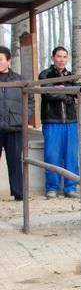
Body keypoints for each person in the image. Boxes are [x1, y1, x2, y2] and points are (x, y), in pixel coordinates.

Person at [39, 46, 81, 199]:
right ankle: (51, 187)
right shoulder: (45, 75)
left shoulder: (71, 76)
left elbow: (80, 91)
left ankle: (70, 187)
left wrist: (63, 90)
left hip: (70, 121)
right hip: (52, 120)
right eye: (59, 56)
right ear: (53, 58)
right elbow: (50, 94)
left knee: (71, 155)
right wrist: (67, 93)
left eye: (64, 57)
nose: (62, 59)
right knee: (52, 155)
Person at [0, 45, 33, 201]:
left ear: (8, 61)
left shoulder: (20, 80)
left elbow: (31, 101)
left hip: (15, 127)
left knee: (15, 161)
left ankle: (19, 193)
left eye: (0, 59)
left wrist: (24, 118)